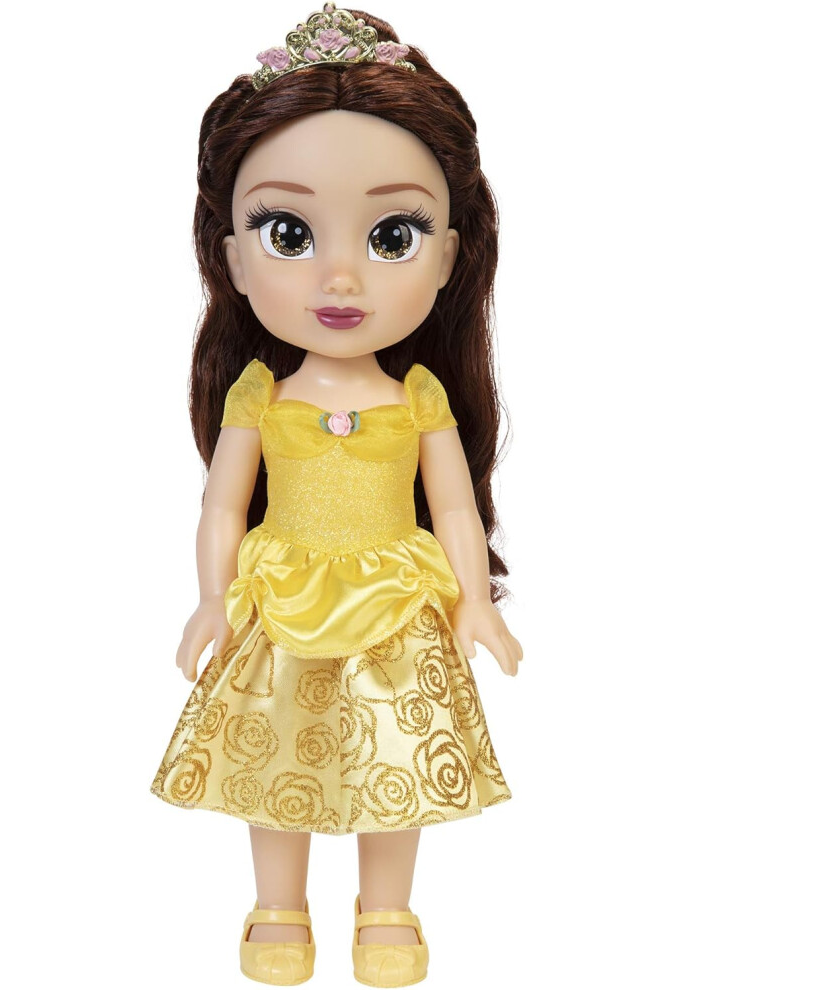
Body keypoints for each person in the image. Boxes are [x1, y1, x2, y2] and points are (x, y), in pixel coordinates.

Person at [150, 5, 523, 985]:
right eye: (289, 233)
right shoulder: (260, 394)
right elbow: (221, 505)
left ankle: (386, 908)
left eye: (394, 234)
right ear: (232, 255)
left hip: (396, 596)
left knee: (393, 756)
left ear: (450, 254)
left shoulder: (419, 395)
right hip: (281, 594)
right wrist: (211, 598)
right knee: (275, 753)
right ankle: (278, 904)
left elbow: (452, 505)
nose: (342, 275)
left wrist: (474, 600)